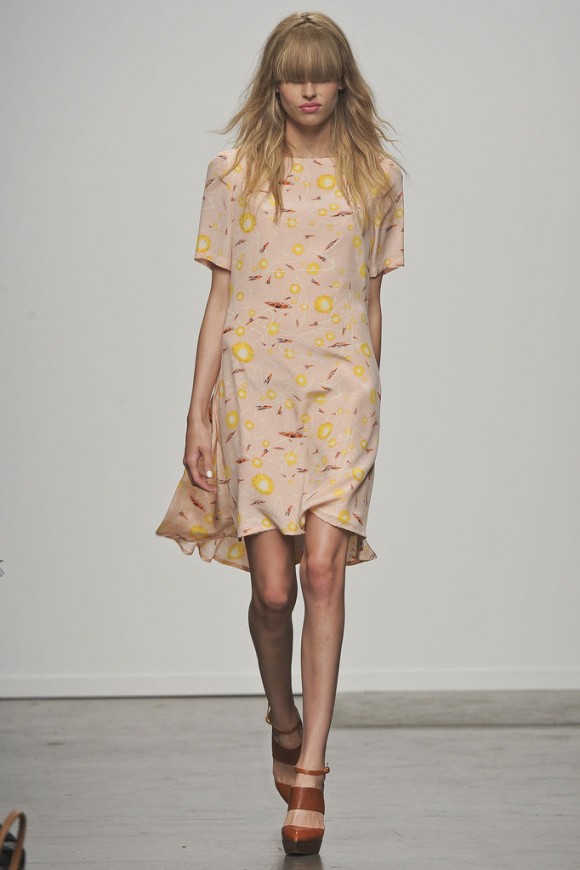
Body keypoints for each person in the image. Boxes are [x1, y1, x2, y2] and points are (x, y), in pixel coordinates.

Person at [156, 10, 405, 856]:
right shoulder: (233, 174)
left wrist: (372, 395)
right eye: (293, 73)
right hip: (255, 392)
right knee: (272, 592)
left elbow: (372, 302)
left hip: (341, 394)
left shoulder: (377, 177)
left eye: (321, 72)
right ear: (274, 82)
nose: (307, 88)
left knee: (325, 571)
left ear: (342, 81)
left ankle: (313, 773)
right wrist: (196, 414)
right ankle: (283, 717)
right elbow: (219, 299)